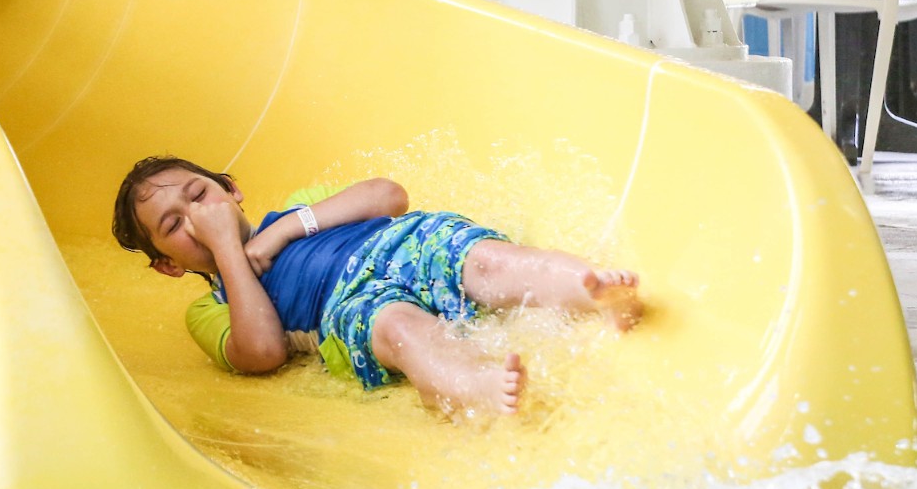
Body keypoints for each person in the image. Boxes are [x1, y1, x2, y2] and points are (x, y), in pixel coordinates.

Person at [110, 156, 642, 416]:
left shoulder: (302, 207)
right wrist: (229, 252)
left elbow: (389, 196)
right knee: (402, 331)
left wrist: (284, 231)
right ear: (168, 265)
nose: (198, 217)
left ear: (231, 190)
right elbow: (263, 352)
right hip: (351, 306)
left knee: (489, 263)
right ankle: (473, 388)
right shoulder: (209, 311)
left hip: (403, 242)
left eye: (199, 196)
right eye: (175, 226)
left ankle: (590, 289)